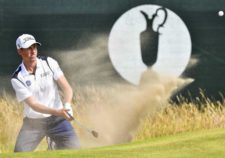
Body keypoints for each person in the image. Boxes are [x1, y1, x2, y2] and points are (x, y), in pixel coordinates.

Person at [11, 34, 80, 152]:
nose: (33, 52)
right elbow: (34, 105)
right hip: (33, 124)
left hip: (58, 120)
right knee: (19, 153)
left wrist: (67, 105)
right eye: (28, 48)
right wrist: (58, 111)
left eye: (34, 47)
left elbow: (67, 88)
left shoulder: (49, 62)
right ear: (20, 51)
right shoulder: (17, 77)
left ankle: (53, 145)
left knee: (75, 151)